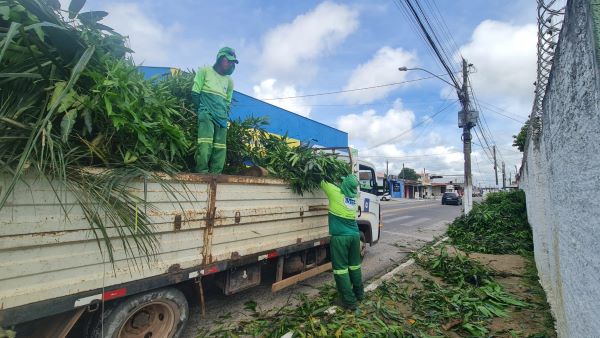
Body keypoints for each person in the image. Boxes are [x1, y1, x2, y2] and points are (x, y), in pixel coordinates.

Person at [320, 175, 364, 311]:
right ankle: (360, 294)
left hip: (340, 238)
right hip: (355, 236)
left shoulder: (335, 193)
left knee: (341, 270)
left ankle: (349, 302)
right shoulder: (354, 196)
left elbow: (321, 179)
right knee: (355, 266)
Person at [191, 47, 238, 174]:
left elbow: (227, 102)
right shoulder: (205, 71)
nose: (231, 65)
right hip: (207, 114)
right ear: (221, 59)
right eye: (229, 61)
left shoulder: (229, 81)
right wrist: (202, 110)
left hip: (222, 118)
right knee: (205, 144)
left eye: (233, 62)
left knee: (220, 147)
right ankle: (202, 172)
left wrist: (223, 114)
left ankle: (216, 174)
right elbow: (195, 93)